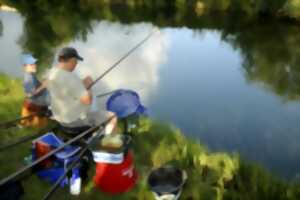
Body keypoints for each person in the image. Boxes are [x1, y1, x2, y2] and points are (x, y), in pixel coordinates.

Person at [46, 47, 117, 135]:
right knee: (112, 116)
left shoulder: (53, 73)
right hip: (74, 121)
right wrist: (89, 87)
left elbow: (68, 88)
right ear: (71, 60)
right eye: (76, 61)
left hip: (60, 118)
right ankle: (104, 143)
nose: (76, 64)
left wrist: (83, 82)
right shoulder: (70, 77)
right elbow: (87, 101)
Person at [20, 54, 50, 127]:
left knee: (35, 127)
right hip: (34, 107)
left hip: (37, 106)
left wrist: (43, 83)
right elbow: (31, 94)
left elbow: (36, 87)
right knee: (37, 128)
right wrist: (44, 85)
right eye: (31, 64)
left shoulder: (32, 75)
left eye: (34, 63)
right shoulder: (28, 77)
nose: (34, 65)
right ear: (25, 66)